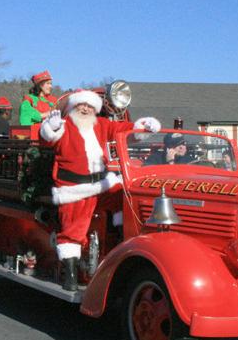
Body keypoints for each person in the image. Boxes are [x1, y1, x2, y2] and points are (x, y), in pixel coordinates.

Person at [40, 89, 160, 290]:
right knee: (73, 230)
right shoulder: (64, 126)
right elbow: (48, 139)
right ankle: (70, 276)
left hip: (103, 184)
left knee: (125, 197)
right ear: (73, 107)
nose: (85, 108)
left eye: (89, 105)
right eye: (81, 105)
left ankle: (120, 243)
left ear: (95, 109)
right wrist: (50, 128)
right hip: (74, 188)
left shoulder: (102, 125)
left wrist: (143, 127)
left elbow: (124, 130)